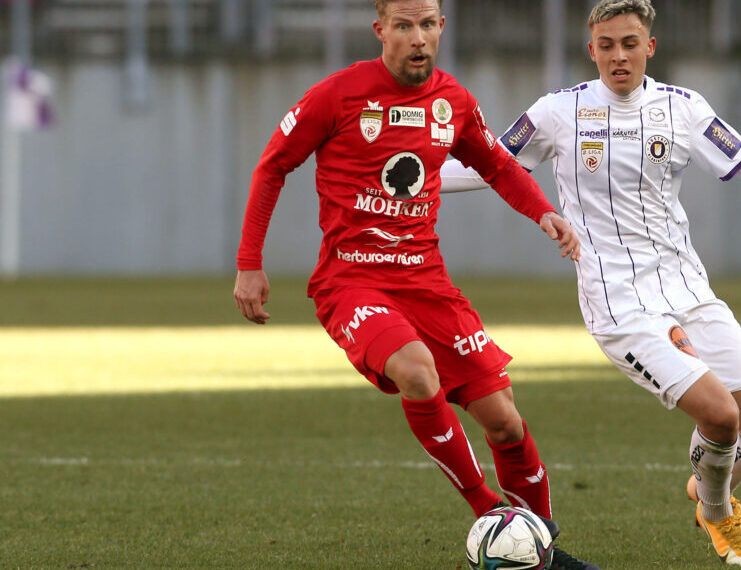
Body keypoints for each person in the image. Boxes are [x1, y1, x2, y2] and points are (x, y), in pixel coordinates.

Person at [440, 0, 741, 566]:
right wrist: (403, 181)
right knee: (721, 415)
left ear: (649, 47)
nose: (618, 55)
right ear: (591, 51)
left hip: (688, 288)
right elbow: (487, 165)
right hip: (620, 306)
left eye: (629, 43)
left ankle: (706, 486)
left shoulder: (682, 109)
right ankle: (716, 511)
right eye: (606, 45)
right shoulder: (559, 113)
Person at [232, 1, 600, 569]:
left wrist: (544, 214)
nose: (417, 38)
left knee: (503, 418)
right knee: (416, 370)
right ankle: (490, 514)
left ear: (441, 29)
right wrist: (249, 262)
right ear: (381, 31)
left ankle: (540, 553)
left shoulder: (452, 101)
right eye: (404, 26)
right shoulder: (338, 94)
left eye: (427, 24)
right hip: (351, 280)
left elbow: (497, 164)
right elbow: (272, 165)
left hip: (426, 282)